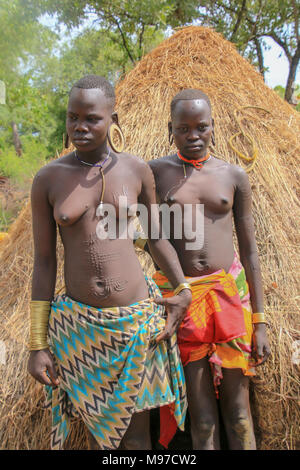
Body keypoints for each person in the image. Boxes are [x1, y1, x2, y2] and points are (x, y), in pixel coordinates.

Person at [27, 75, 192, 450]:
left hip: (135, 322)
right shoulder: (48, 180)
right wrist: (37, 344)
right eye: (73, 118)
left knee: (136, 440)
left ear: (112, 119)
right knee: (102, 440)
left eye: (92, 119)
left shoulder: (135, 170)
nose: (80, 127)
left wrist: (182, 288)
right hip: (80, 331)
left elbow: (157, 237)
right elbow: (43, 262)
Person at [138, 88, 270, 450]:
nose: (193, 136)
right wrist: (180, 289)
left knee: (239, 411)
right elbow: (153, 238)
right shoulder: (155, 173)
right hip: (182, 298)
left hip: (229, 297)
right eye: (184, 129)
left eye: (201, 127)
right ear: (171, 129)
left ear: (213, 127)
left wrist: (259, 320)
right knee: (203, 417)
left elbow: (250, 251)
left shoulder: (233, 175)